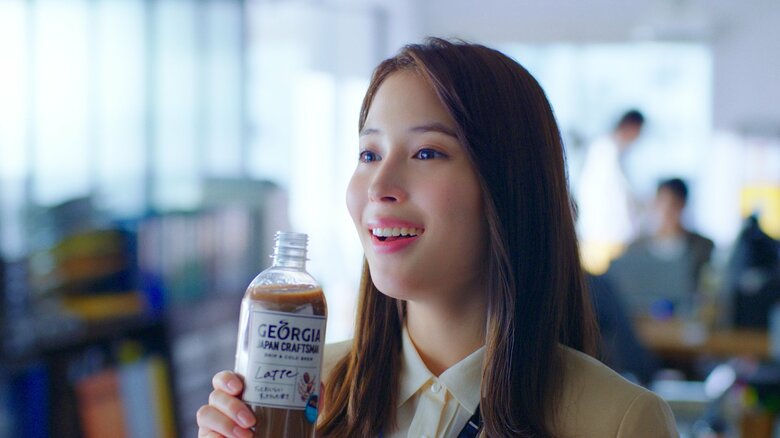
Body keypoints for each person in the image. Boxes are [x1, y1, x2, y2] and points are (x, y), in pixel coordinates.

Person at [196, 38, 676, 437]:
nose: (379, 186)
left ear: (510, 186)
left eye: (426, 153)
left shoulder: (620, 422)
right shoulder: (303, 395)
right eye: (369, 154)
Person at [608, 178, 714, 316]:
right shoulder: (635, 248)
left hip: (684, 319)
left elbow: (707, 290)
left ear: (683, 205)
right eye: (662, 204)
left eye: (673, 205)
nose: (667, 212)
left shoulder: (702, 247)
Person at [576, 109, 645, 274]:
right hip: (602, 239)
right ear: (631, 126)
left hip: (614, 240)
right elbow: (601, 197)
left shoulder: (616, 152)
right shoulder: (604, 151)